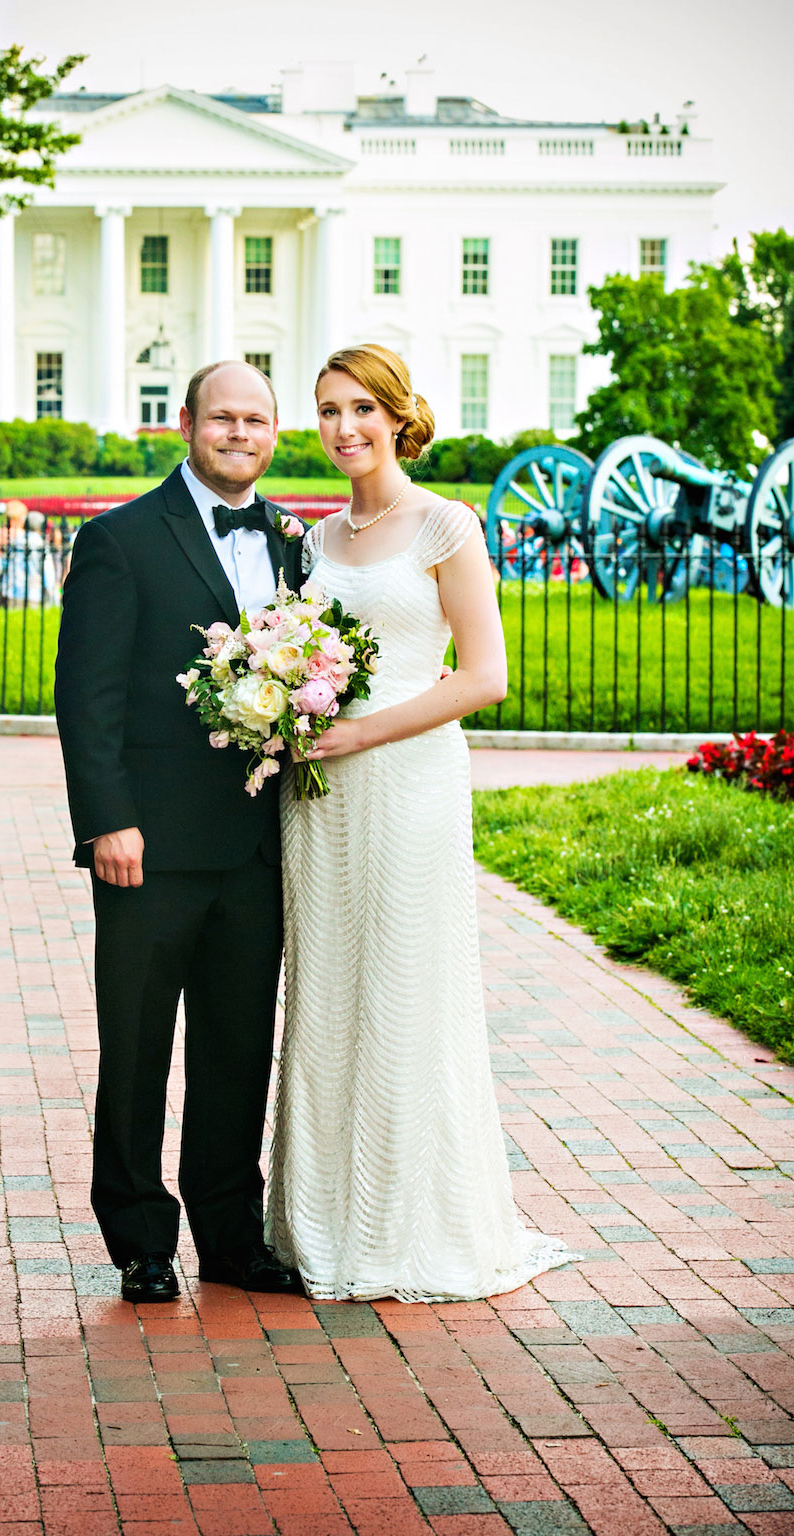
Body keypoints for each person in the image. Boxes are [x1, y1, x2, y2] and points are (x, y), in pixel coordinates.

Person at [266, 344, 578, 1302]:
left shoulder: (446, 524)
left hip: (407, 781)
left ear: (400, 415)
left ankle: (410, 1231)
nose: (344, 428)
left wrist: (360, 733)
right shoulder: (311, 543)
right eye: (327, 411)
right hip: (319, 797)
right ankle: (317, 1225)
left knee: (406, 990)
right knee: (325, 994)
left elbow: (485, 677)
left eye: (362, 408)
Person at [54, 360, 306, 1305]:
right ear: (189, 425)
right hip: (147, 847)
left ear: (272, 432)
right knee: (137, 1047)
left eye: (257, 420)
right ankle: (138, 1241)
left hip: (255, 845)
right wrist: (107, 821)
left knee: (238, 1047)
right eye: (223, 418)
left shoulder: (293, 544)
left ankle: (232, 1236)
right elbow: (89, 696)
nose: (240, 434)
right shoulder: (120, 539)